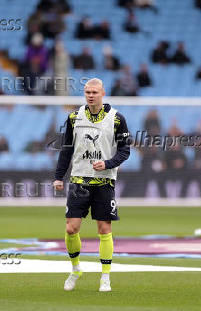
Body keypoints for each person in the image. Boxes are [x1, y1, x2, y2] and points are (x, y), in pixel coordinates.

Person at [53, 78, 130, 292]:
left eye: (94, 92)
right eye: (87, 91)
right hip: (79, 180)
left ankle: (105, 276)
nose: (90, 95)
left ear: (103, 93)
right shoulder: (73, 117)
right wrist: (59, 176)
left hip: (104, 181)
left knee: (104, 229)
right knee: (71, 228)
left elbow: (125, 150)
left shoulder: (116, 119)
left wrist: (107, 163)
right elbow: (66, 149)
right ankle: (76, 268)